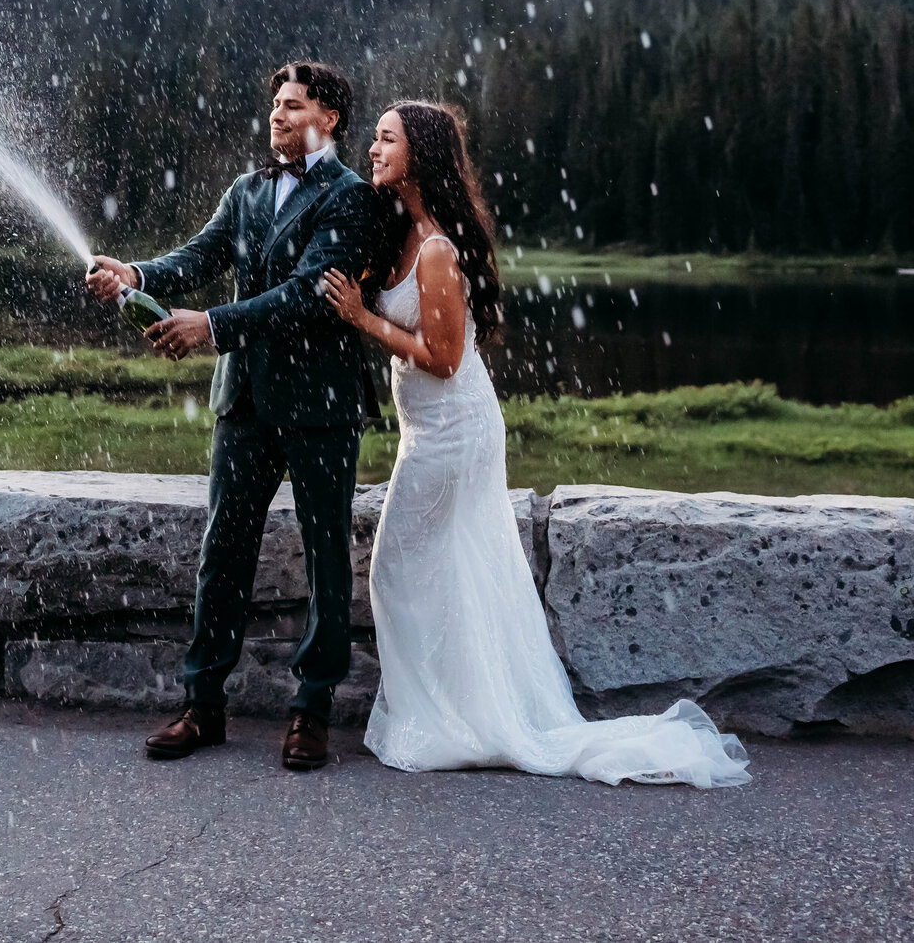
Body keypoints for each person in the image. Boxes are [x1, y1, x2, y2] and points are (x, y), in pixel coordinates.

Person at [324, 101, 750, 787]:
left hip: (454, 430)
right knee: (443, 571)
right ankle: (447, 711)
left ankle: (454, 721)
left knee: (396, 568)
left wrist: (360, 318)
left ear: (419, 155)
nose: (371, 149)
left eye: (385, 140)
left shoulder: (434, 249)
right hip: (427, 430)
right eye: (373, 138)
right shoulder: (403, 231)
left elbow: (441, 358)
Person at [87, 61, 378, 771]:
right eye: (274, 104)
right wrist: (138, 275)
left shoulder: (352, 199)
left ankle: (311, 710)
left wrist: (211, 327)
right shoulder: (246, 190)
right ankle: (202, 704)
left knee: (327, 556)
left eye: (293, 105)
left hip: (321, 406)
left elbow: (310, 295)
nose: (276, 116)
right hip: (243, 401)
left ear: (330, 119)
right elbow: (202, 255)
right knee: (223, 553)